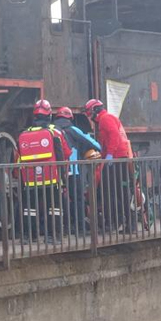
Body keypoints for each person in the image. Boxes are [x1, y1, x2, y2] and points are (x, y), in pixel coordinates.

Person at [17, 100, 71, 245]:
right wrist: (64, 177)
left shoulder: (24, 133)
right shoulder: (55, 132)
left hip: (30, 180)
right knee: (54, 208)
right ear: (49, 115)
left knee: (30, 208)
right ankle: (53, 236)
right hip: (52, 179)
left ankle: (29, 236)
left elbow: (18, 159)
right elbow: (66, 153)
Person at [84, 99, 139, 233]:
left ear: (95, 111)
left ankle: (115, 222)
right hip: (119, 158)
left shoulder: (105, 119)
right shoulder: (109, 118)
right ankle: (127, 225)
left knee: (110, 191)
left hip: (116, 159)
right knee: (120, 192)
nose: (90, 117)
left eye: (90, 113)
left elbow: (114, 137)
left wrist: (109, 155)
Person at [53, 107, 101, 235]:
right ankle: (80, 227)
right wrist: (102, 149)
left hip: (55, 172)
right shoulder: (72, 129)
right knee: (78, 198)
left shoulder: (52, 130)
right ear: (70, 118)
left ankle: (64, 227)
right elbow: (90, 141)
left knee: (58, 200)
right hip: (72, 170)